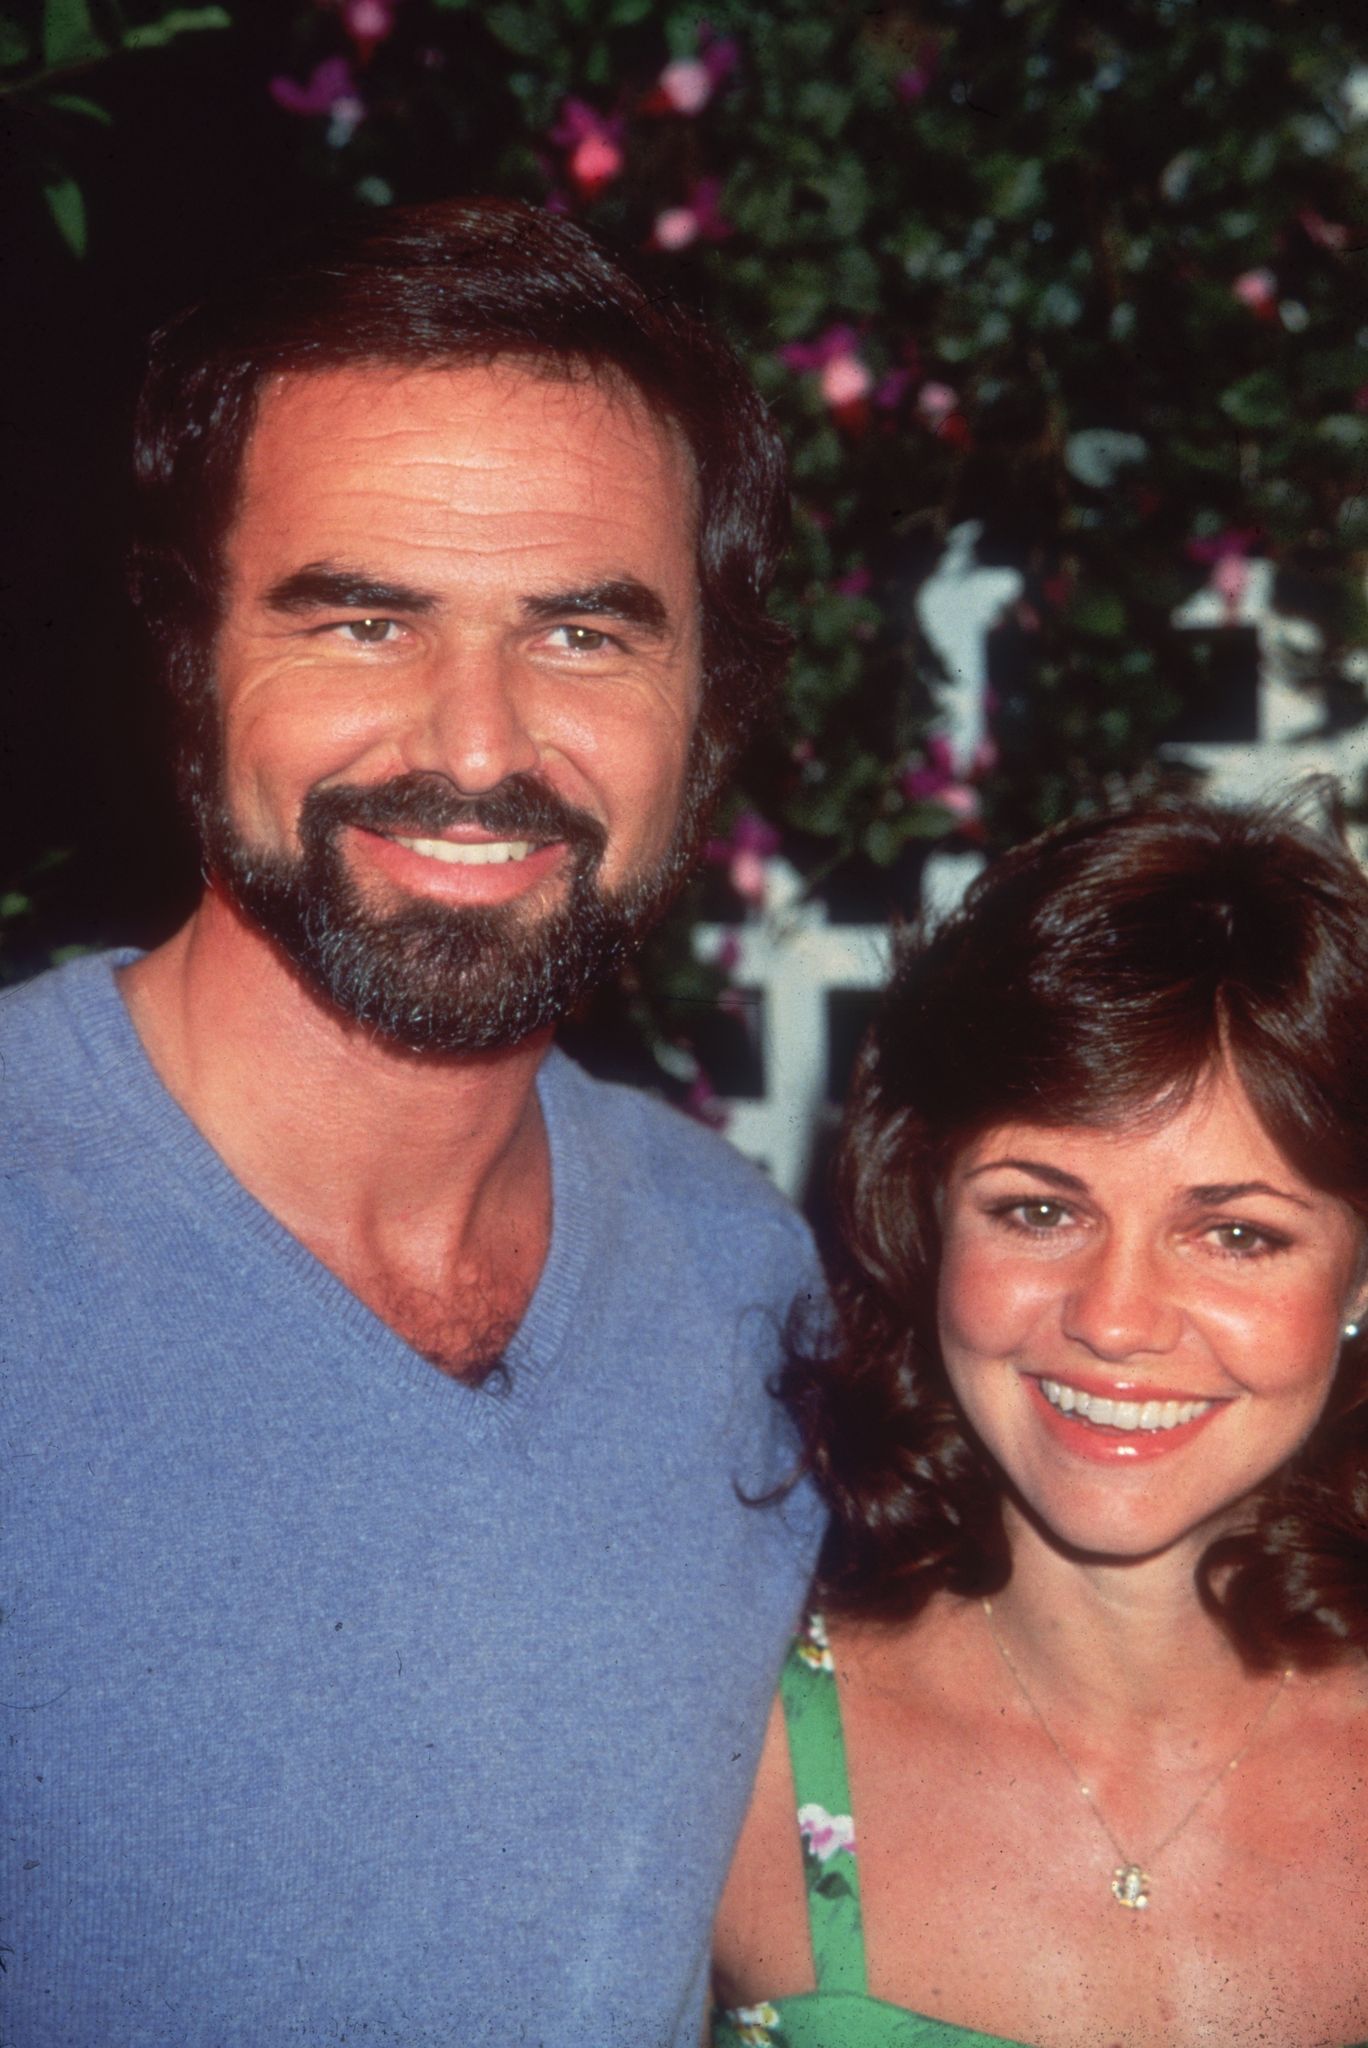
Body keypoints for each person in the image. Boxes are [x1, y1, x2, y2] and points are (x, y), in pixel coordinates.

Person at [1, 199, 824, 2046]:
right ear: (187, 657)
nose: (477, 739)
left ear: (711, 701)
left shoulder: (745, 1280)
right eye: (364, 619)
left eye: (585, 635)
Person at [713, 795, 1368, 2048]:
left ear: (1358, 1278)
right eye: (1039, 1211)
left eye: (1237, 1234)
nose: (1118, 1319)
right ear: (927, 1214)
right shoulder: (722, 1748)